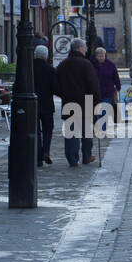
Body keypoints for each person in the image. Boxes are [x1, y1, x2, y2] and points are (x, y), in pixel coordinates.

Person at [54, 38, 100, 166]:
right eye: (84, 47)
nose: (85, 49)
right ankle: (86, 156)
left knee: (71, 133)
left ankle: (72, 159)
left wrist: (64, 94)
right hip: (85, 103)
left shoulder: (63, 65)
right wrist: (96, 101)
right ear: (79, 48)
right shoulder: (86, 64)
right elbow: (94, 85)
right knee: (86, 132)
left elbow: (56, 85)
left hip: (69, 103)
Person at [33, 45, 56, 166]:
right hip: (47, 105)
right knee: (48, 130)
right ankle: (46, 151)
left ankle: (38, 157)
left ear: (35, 55)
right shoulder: (50, 70)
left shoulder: (29, 68)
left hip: (32, 105)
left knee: (36, 131)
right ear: (46, 57)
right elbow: (55, 88)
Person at [92, 45, 121, 131]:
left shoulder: (110, 65)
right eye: (99, 56)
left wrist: (118, 86)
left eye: (103, 56)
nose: (101, 58)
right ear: (96, 56)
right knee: (96, 112)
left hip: (107, 92)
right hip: (95, 93)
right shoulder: (91, 64)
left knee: (104, 112)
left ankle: (102, 130)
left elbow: (116, 77)